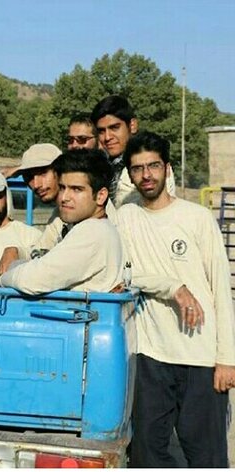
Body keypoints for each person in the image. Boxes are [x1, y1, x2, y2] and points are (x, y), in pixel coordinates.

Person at [115, 131, 235, 467]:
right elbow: (121, 275)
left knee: (205, 456)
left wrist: (226, 358)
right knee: (147, 453)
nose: (146, 175)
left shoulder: (195, 218)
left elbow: (220, 290)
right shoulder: (125, 218)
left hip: (200, 356)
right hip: (152, 356)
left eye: (153, 166)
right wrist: (171, 286)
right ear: (130, 173)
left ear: (167, 168)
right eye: (138, 168)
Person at [0, 149, 122, 294]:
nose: (64, 197)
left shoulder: (92, 231)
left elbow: (34, 280)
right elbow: (41, 256)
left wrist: (2, 277)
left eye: (76, 189)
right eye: (62, 188)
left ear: (101, 196)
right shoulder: (95, 226)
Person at [91, 95, 175, 206]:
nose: (107, 137)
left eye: (114, 128)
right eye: (101, 131)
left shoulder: (153, 166)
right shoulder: (103, 166)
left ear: (132, 125)